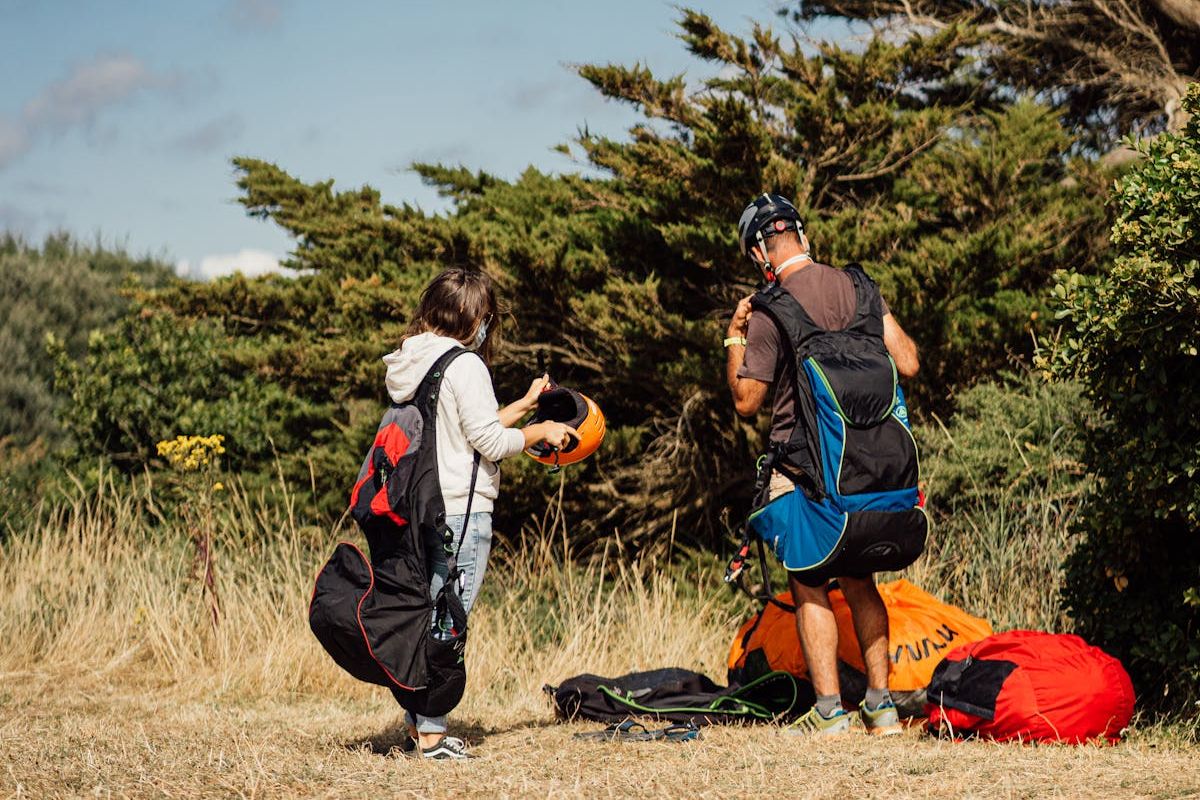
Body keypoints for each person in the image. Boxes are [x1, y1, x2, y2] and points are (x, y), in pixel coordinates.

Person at [725, 194, 921, 736]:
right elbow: (908, 361)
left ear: (760, 252)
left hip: (805, 467)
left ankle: (831, 712)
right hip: (870, 466)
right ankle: (882, 708)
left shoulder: (771, 308)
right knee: (860, 579)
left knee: (809, 581)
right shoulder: (861, 287)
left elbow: (746, 401)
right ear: (802, 236)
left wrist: (733, 337)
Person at [381, 267, 576, 759]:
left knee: (428, 610)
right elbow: (489, 441)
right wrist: (540, 432)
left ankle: (418, 723)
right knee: (449, 619)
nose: (488, 328)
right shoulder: (466, 365)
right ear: (475, 318)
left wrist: (526, 404)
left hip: (422, 506)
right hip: (461, 511)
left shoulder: (416, 359)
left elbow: (467, 427)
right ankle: (431, 733)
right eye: (487, 318)